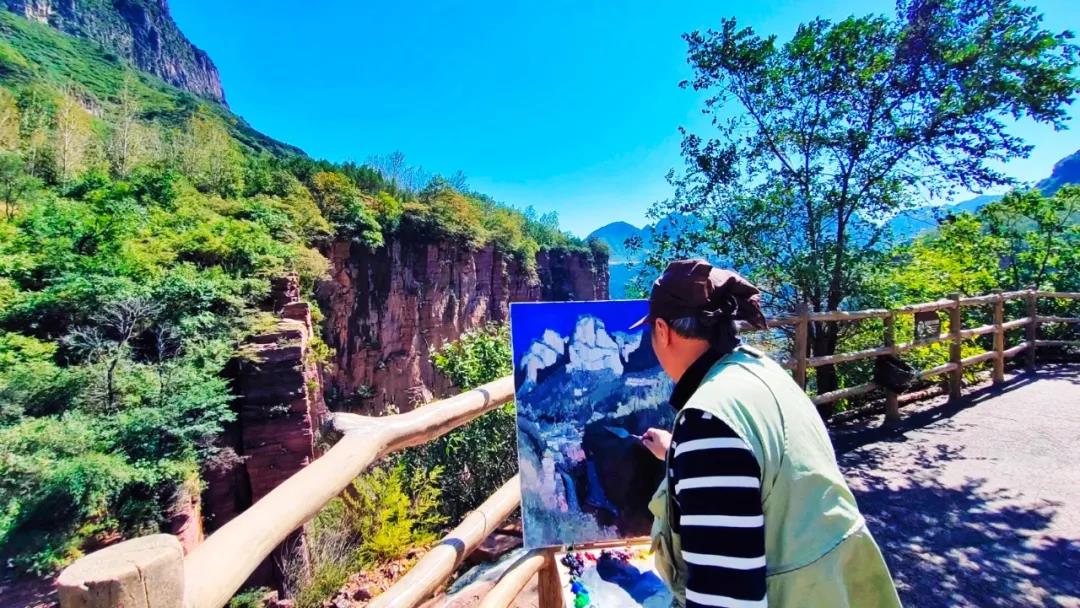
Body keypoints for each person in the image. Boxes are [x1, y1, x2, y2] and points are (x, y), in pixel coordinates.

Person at [633, 259, 902, 608]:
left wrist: (696, 449)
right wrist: (677, 453)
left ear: (662, 330)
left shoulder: (707, 420)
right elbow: (758, 468)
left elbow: (726, 599)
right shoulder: (761, 372)